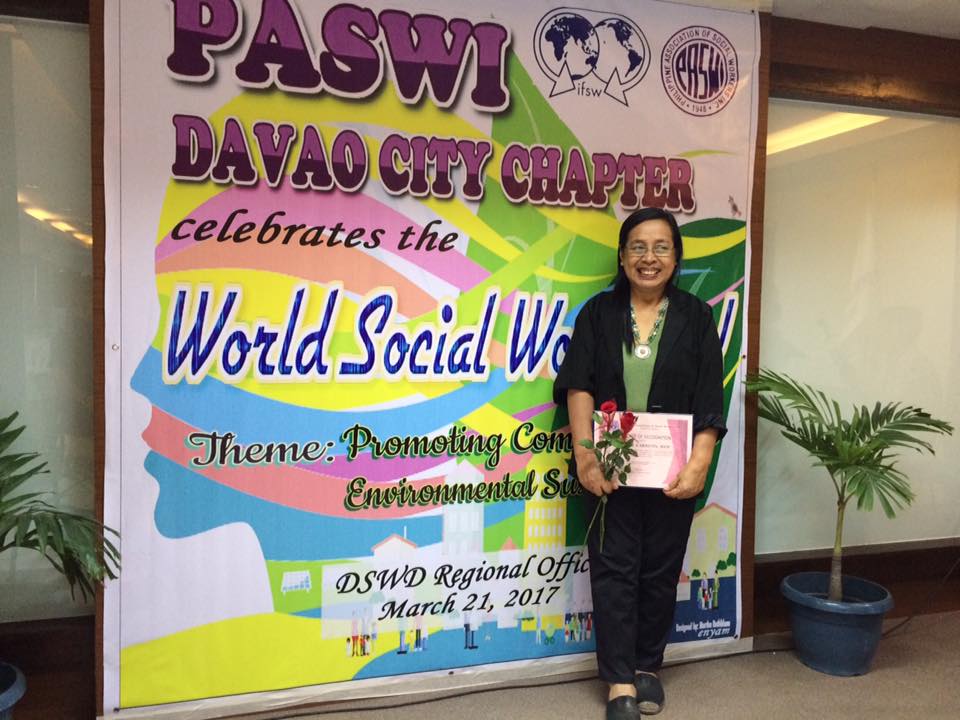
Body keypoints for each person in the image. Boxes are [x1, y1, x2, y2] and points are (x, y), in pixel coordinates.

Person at [554, 207, 726, 720]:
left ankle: (649, 663)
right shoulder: (598, 315)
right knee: (614, 570)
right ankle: (619, 679)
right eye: (638, 247)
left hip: (672, 470)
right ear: (623, 255)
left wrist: (700, 461)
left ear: (675, 257)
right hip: (609, 468)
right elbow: (578, 386)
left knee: (659, 570)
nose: (649, 258)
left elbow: (709, 399)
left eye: (661, 247)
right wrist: (585, 456)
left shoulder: (697, 316)